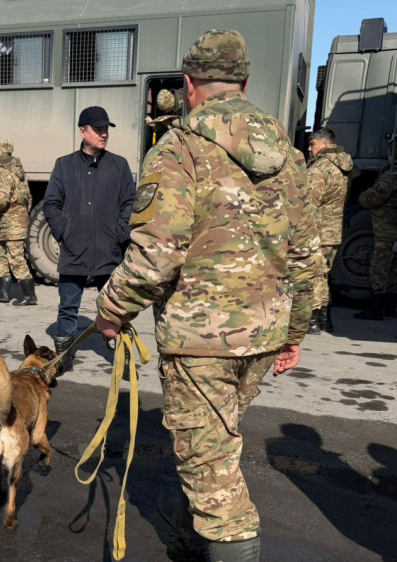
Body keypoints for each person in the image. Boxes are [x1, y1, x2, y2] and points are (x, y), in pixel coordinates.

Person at [94, 29, 319, 561]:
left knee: (215, 474)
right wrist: (295, 332)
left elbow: (156, 255)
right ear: (243, 82)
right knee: (215, 446)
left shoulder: (178, 147)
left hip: (199, 341)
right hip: (262, 335)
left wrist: (110, 310)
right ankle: (192, 528)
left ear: (191, 85)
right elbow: (308, 256)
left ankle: (219, 538)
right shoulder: (288, 157)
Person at [43, 105, 135, 372]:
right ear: (83, 132)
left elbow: (130, 201)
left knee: (117, 308)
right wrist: (65, 233)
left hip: (110, 251)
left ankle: (121, 357)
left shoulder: (119, 166)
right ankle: (64, 357)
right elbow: (51, 204)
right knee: (68, 306)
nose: (104, 134)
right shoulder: (64, 165)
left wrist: (121, 232)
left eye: (106, 129)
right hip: (75, 250)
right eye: (98, 129)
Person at [353, 152, 397, 320]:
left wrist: (362, 195)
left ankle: (376, 308)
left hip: (386, 230)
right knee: (394, 268)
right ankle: (390, 306)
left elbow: (370, 199)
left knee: (379, 268)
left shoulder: (390, 178)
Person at [305, 127, 352, 334]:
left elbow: (308, 204)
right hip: (333, 232)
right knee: (323, 275)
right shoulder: (344, 167)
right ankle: (325, 320)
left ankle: (313, 320)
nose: (309, 148)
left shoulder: (320, 169)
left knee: (312, 276)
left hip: (316, 232)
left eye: (312, 144)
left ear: (324, 144)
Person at [0, 140, 36, 305]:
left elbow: (0, 201)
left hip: (9, 223)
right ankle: (2, 292)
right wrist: (21, 214)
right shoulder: (18, 171)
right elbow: (29, 198)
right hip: (10, 222)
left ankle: (29, 295)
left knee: (15, 258)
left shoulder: (2, 172)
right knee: (0, 256)